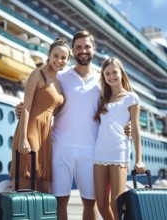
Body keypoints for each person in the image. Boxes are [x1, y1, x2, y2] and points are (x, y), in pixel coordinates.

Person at [15, 31, 130, 220]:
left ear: (94, 49)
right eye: (78, 47)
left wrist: (129, 126)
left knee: (90, 203)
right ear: (73, 51)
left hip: (92, 150)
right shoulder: (61, 77)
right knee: (59, 201)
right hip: (60, 147)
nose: (83, 51)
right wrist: (19, 110)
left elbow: (120, 106)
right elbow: (39, 102)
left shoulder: (104, 80)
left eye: (87, 46)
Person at [9, 38, 70, 192]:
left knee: (44, 188)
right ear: (49, 55)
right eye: (56, 56)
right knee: (25, 184)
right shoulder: (38, 74)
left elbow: (52, 110)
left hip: (45, 137)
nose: (59, 60)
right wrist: (23, 139)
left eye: (64, 58)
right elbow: (27, 107)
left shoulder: (58, 82)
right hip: (30, 132)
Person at [93, 57, 145, 220]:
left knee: (117, 202)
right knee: (101, 203)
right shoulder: (103, 98)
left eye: (114, 72)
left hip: (119, 151)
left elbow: (135, 129)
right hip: (100, 153)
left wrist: (139, 160)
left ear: (121, 73)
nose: (111, 76)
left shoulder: (131, 97)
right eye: (107, 74)